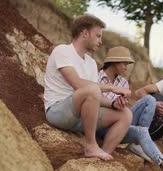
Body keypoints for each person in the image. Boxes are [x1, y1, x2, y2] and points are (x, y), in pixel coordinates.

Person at [97, 46, 163, 171]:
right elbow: (93, 103)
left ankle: (141, 145)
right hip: (103, 124)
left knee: (149, 99)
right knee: (141, 129)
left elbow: (123, 109)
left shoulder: (123, 82)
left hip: (121, 122)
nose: (127, 67)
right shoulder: (96, 77)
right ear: (115, 62)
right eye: (125, 63)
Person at [43, 14, 132, 161]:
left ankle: (100, 159)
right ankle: (91, 146)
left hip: (81, 117)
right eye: (97, 36)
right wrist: (112, 88)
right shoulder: (62, 51)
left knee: (125, 114)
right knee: (91, 89)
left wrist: (113, 103)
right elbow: (77, 84)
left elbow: (94, 97)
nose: (100, 41)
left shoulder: (91, 63)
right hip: (59, 112)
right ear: (84, 33)